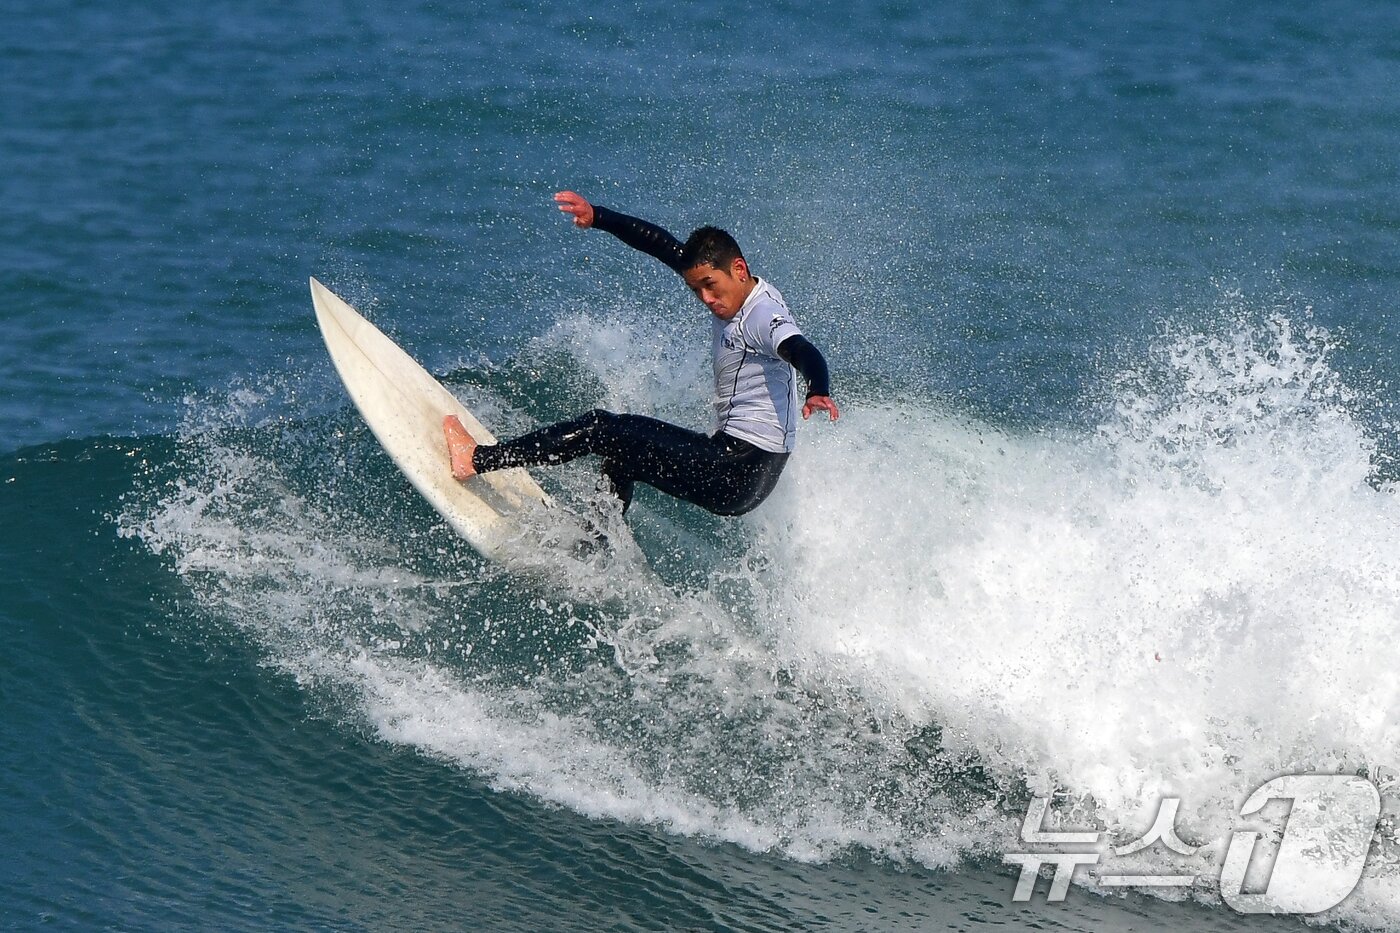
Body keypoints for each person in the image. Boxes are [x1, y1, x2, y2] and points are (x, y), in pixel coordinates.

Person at [442, 190, 838, 517]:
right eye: (696, 289)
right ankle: (594, 541)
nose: (706, 298)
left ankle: (476, 459)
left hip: (737, 466)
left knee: (602, 428)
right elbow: (661, 244)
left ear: (738, 268)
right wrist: (598, 216)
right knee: (623, 454)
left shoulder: (761, 315)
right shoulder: (737, 288)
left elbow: (802, 350)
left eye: (710, 285)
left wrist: (817, 387)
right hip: (755, 475)